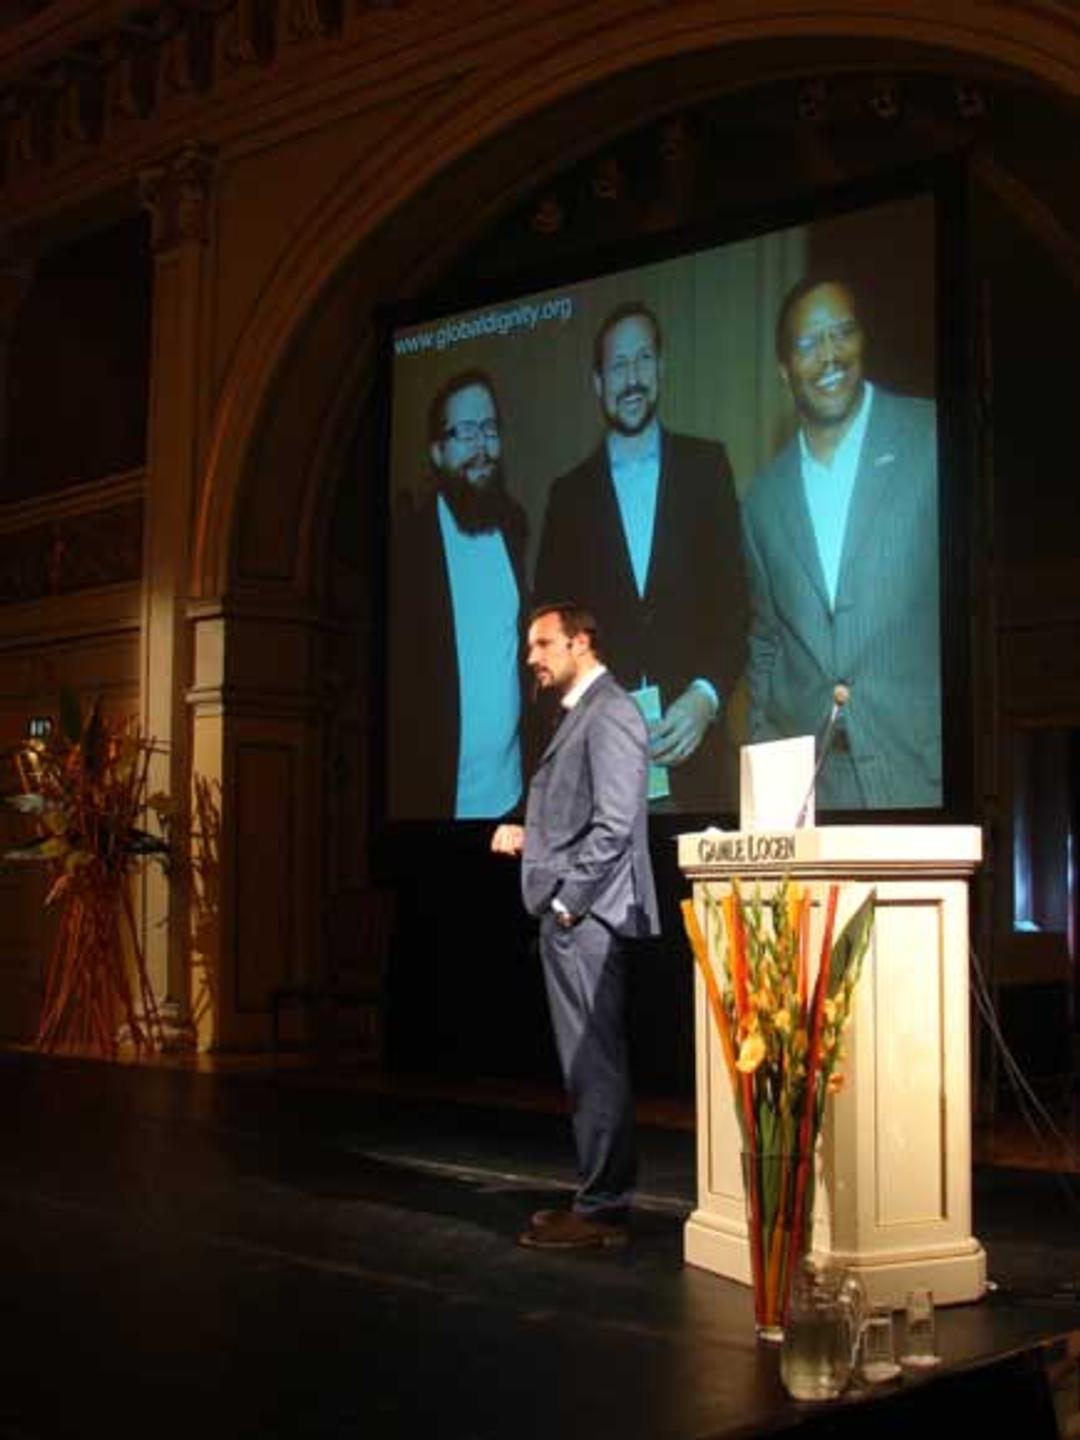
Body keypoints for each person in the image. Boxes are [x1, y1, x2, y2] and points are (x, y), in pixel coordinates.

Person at [532, 302, 747, 811]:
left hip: (697, 763)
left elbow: (735, 605)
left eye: (643, 359)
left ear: (661, 367)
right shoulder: (567, 496)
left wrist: (705, 698)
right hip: (600, 772)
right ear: (597, 383)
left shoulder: (707, 467)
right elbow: (551, 631)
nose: (632, 379)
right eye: (618, 365)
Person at [492, 603, 659, 1249]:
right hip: (577, 912)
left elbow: (614, 826)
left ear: (580, 641)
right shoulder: (582, 713)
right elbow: (580, 819)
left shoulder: (609, 712)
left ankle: (602, 1210)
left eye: (542, 644)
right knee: (586, 1063)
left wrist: (568, 904)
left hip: (589, 916)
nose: (530, 657)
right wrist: (530, 838)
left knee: (594, 1063)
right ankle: (599, 1197)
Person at [741, 277, 941, 809]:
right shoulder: (762, 501)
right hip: (811, 794)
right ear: (785, 370)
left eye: (843, 332)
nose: (830, 355)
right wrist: (768, 775)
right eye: (809, 343)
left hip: (921, 775)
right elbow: (766, 644)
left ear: (863, 340)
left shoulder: (930, 438)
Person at [388, 369, 528, 820]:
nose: (481, 446)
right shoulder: (408, 546)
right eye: (465, 432)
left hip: (514, 798)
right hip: (439, 806)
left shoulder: (514, 525)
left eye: (489, 429)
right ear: (437, 451)